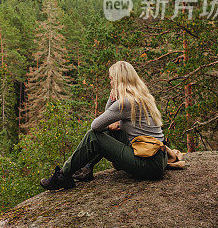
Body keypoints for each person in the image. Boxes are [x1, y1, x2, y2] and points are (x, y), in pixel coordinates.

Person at [39, 60, 167, 190]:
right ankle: (87, 168)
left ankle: (63, 176)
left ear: (118, 80)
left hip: (149, 164)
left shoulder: (126, 103)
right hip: (158, 158)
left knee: (94, 136)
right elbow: (109, 119)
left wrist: (112, 102)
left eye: (111, 79)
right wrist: (111, 118)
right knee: (110, 132)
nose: (110, 83)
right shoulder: (143, 96)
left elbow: (95, 126)